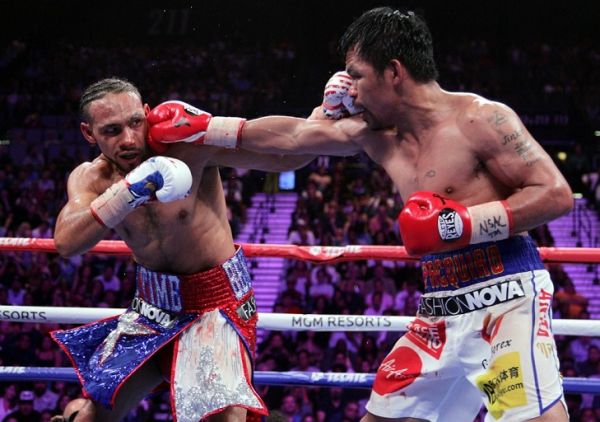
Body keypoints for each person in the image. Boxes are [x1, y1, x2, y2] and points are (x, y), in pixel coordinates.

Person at [147, 7, 573, 421]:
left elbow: (555, 194)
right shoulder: (376, 134)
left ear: (393, 71)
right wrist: (206, 127)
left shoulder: (481, 118)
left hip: (506, 294)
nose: (349, 88)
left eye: (357, 75)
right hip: (440, 305)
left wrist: (459, 224)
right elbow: (295, 137)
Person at [50, 78, 314, 422]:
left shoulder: (188, 146)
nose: (129, 139)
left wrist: (324, 115)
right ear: (89, 134)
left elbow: (288, 155)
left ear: (147, 113)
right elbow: (67, 242)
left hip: (215, 304)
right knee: (86, 416)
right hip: (151, 309)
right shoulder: (92, 179)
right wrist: (128, 192)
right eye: (112, 131)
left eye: (135, 123)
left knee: (222, 416)